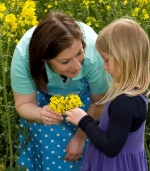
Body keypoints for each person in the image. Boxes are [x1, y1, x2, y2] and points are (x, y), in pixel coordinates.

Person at [10, 11, 109, 171]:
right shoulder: (24, 56)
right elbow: (24, 103)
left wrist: (80, 137)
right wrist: (40, 114)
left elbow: (99, 102)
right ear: (44, 59)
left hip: (88, 106)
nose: (77, 66)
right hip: (42, 104)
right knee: (46, 155)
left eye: (79, 53)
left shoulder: (93, 52)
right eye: (65, 61)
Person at [65, 18, 150, 171]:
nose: (104, 67)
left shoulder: (126, 102)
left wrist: (84, 121)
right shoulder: (135, 94)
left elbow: (111, 146)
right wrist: (90, 123)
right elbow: (117, 130)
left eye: (106, 60)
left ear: (125, 57)